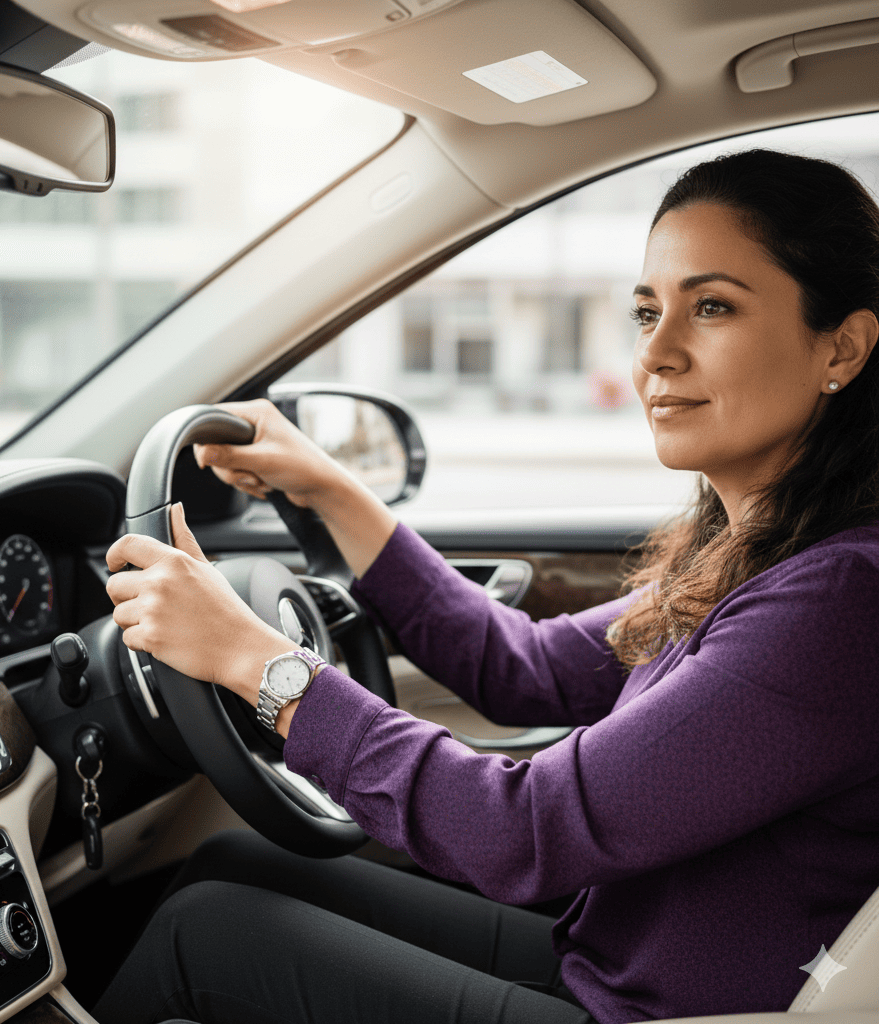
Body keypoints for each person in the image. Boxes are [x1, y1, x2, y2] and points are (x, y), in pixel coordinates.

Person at [94, 148, 879, 1024]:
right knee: (230, 865)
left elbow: (524, 828)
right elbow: (527, 668)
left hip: (646, 1014)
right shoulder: (755, 554)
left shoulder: (839, 603)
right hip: (610, 964)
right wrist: (331, 487)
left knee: (206, 932)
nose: (655, 353)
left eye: (713, 307)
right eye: (647, 311)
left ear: (840, 345)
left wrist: (255, 662)